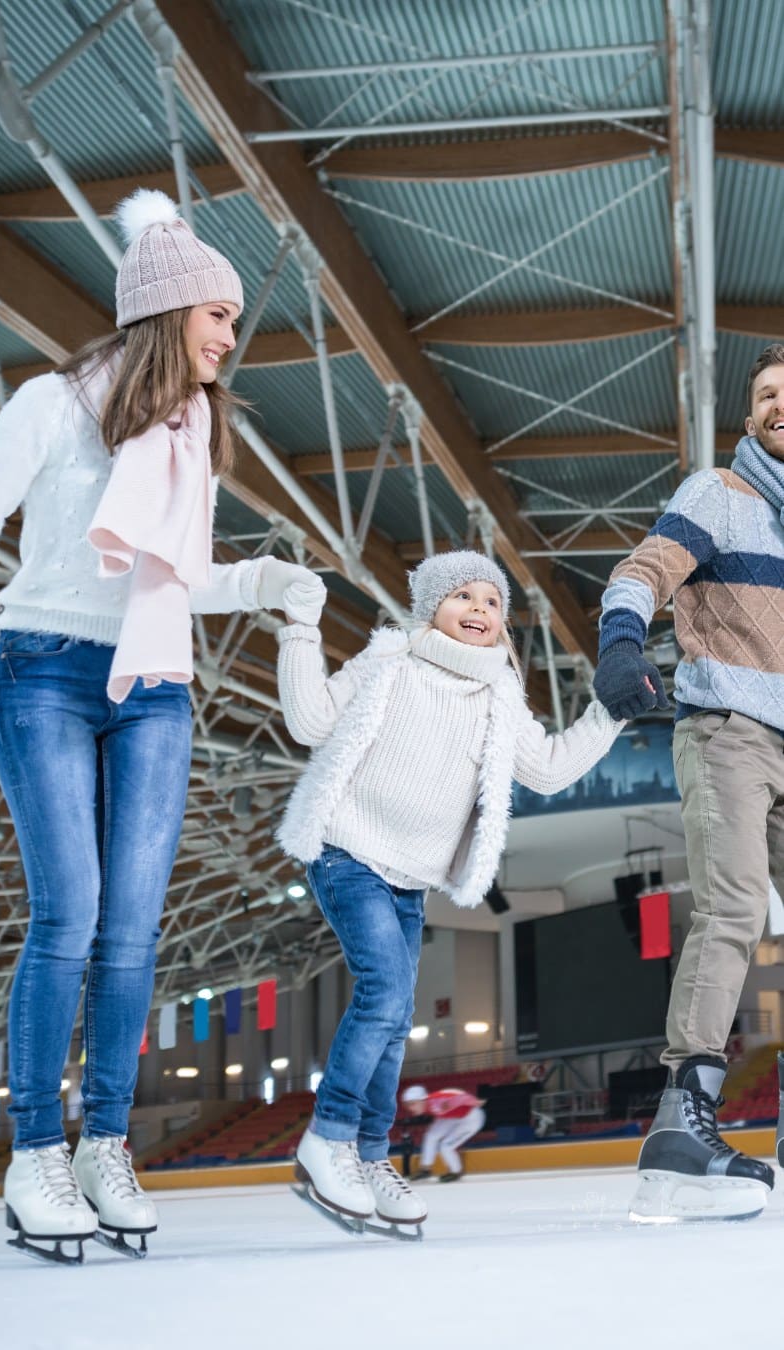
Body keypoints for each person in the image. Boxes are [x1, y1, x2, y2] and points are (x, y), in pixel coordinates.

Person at [0, 189, 324, 1263]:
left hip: (153, 686)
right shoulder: (49, 405)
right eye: (218, 315)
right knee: (69, 910)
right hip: (40, 670)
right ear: (170, 311)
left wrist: (263, 577)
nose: (232, 335)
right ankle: (37, 1148)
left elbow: (177, 579)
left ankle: (103, 1146)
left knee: (134, 928)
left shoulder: (197, 424)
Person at [275, 550, 623, 1233]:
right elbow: (311, 723)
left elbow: (549, 769)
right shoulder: (390, 662)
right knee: (383, 994)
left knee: (395, 1015)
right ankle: (328, 1135)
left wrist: (609, 714)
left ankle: (371, 1158)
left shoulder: (499, 698)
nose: (478, 609)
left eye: (491, 602)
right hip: (347, 851)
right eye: (461, 595)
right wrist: (299, 628)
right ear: (429, 606)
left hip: (410, 879)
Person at [593, 342, 784, 1223]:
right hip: (729, 732)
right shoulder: (720, 494)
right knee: (736, 906)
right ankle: (684, 1118)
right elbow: (642, 571)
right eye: (768, 394)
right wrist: (622, 644)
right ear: (751, 415)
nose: (780, 404)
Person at [400, 1083, 485, 1181]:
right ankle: (425, 1169)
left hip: (471, 1118)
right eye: (407, 1105)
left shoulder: (438, 1102)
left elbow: (460, 1096)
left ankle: (455, 1171)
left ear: (423, 1100)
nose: (410, 1108)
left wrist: (474, 1101)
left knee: (446, 1146)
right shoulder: (428, 1105)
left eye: (412, 1104)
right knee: (431, 1136)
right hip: (451, 1117)